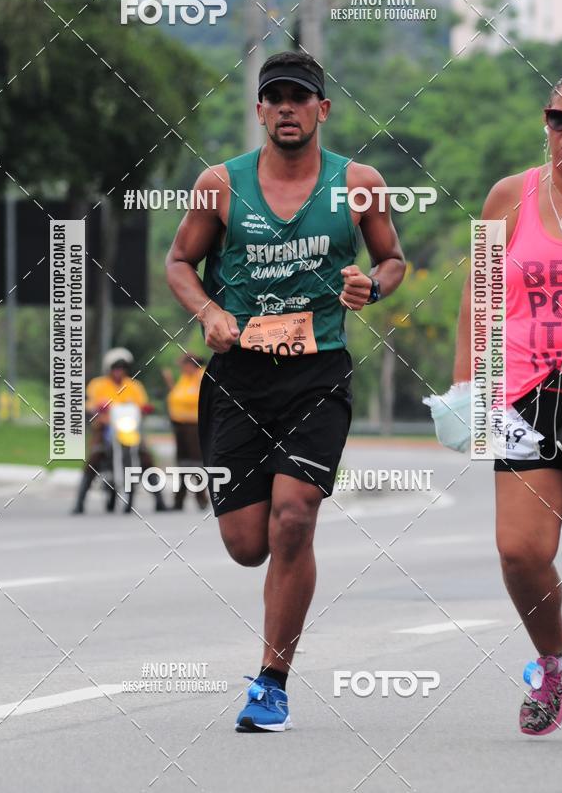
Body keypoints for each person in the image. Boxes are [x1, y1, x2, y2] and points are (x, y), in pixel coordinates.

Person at [166, 50, 406, 732]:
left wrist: (373, 284)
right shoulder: (220, 184)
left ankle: (271, 682)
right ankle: (271, 630)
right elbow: (180, 261)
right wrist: (210, 311)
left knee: (294, 517)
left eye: (301, 97)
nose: (288, 109)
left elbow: (392, 258)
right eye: (276, 98)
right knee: (248, 542)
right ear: (260, 110)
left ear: (322, 109)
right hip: (239, 378)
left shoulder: (357, 184)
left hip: (317, 372)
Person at [448, 72, 562, 735]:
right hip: (526, 393)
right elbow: (480, 294)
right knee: (520, 551)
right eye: (560, 118)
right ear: (546, 121)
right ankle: (555, 658)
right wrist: (466, 385)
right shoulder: (511, 195)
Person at [72, 347, 166, 514]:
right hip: (105, 428)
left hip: (129, 431)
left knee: (145, 457)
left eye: (122, 368)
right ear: (109, 368)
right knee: (95, 456)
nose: (119, 371)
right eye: (115, 367)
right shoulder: (98, 384)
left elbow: (142, 404)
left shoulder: (134, 385)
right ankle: (79, 502)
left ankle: (160, 501)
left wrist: (145, 409)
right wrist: (96, 408)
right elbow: (89, 404)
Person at [162, 353, 209, 510]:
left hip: (194, 425)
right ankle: (179, 500)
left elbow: (196, 398)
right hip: (180, 425)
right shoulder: (185, 378)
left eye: (184, 364)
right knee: (183, 462)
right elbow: (177, 397)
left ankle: (201, 498)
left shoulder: (201, 376)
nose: (181, 368)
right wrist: (169, 384)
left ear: (192, 364)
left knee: (196, 462)